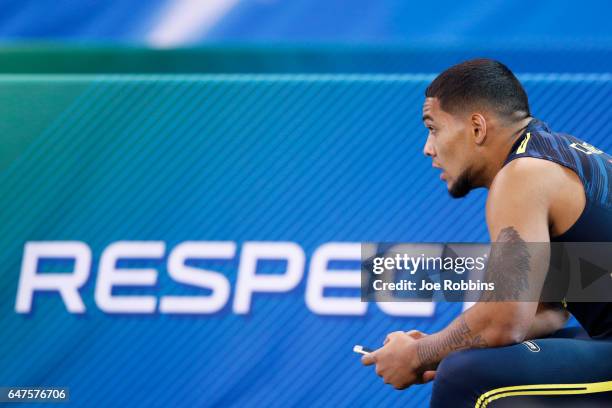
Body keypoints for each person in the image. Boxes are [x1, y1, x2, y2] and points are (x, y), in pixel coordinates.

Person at [362, 58, 612, 407]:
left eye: (433, 129)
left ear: (477, 127)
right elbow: (548, 312)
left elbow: (503, 321)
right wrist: (438, 347)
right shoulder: (558, 155)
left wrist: (419, 354)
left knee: (466, 376)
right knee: (479, 365)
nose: (427, 148)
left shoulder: (522, 175)